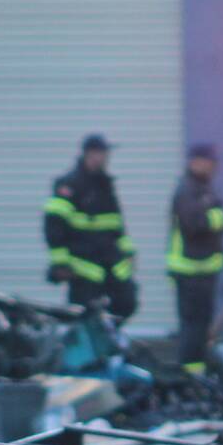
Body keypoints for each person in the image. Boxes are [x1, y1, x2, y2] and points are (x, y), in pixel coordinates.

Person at [43, 133, 138, 321]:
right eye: (101, 153)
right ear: (89, 154)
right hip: (83, 267)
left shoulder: (106, 185)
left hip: (110, 264)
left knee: (127, 303)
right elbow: (54, 227)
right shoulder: (68, 185)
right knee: (83, 318)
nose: (105, 158)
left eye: (106, 154)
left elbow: (116, 224)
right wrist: (60, 263)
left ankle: (104, 341)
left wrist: (129, 252)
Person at [167, 143, 223, 372]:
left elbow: (210, 219)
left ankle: (198, 373)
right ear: (195, 162)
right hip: (190, 272)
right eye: (209, 162)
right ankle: (190, 376)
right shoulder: (186, 190)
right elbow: (194, 223)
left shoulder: (204, 188)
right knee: (192, 327)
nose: (213, 167)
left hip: (204, 271)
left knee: (201, 327)